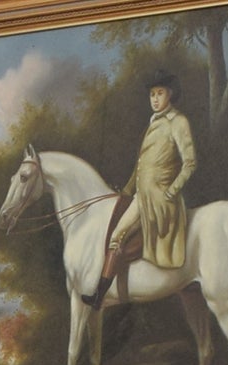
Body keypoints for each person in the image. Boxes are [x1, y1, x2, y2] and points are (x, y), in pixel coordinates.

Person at [82, 71, 198, 311]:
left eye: (160, 93)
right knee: (116, 236)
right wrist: (126, 190)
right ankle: (99, 296)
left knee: (126, 239)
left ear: (171, 94)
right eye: (152, 94)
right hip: (141, 197)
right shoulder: (153, 122)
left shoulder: (178, 122)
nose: (155, 99)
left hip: (162, 200)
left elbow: (190, 163)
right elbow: (142, 165)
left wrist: (171, 192)